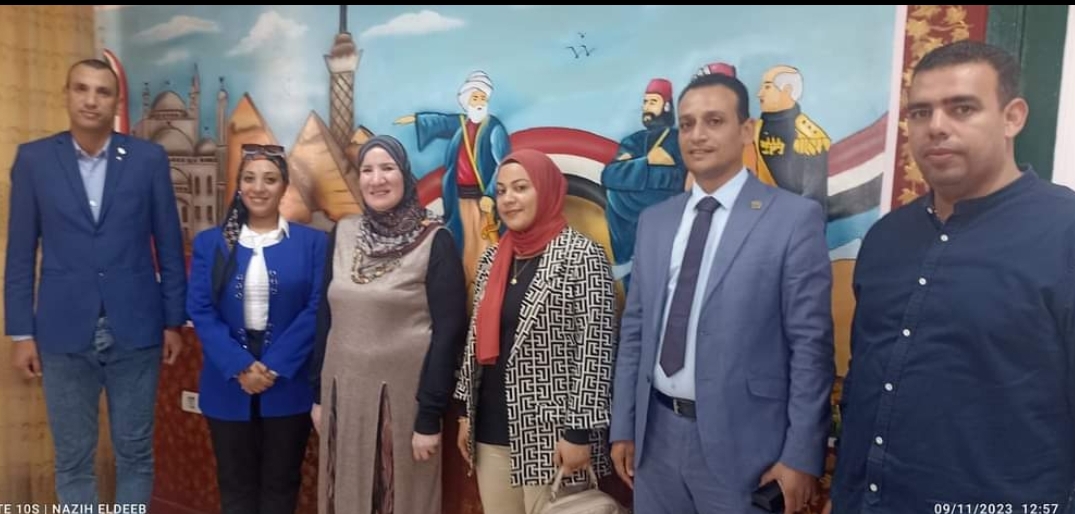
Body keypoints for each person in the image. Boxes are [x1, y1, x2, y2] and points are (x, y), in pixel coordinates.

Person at [829, 40, 1075, 513]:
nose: (936, 127)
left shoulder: (1064, 233)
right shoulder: (886, 238)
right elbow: (864, 383)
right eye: (920, 113)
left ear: (1013, 117)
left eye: (962, 108)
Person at [608, 71, 835, 514]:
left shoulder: (792, 219)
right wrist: (624, 426)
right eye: (687, 124)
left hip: (746, 447)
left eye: (714, 121)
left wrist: (801, 455)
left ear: (746, 130)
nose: (697, 135)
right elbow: (635, 329)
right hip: (655, 439)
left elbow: (811, 346)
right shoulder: (656, 222)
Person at [3, 58, 187, 509]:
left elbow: (169, 244)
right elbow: (20, 253)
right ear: (66, 94)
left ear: (116, 101)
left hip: (137, 329)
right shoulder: (35, 160)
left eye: (102, 91)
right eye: (81, 88)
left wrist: (173, 321)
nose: (91, 100)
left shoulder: (147, 159)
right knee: (73, 460)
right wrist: (21, 333)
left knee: (135, 455)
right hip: (62, 331)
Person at [453, 148, 618, 514]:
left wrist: (578, 432)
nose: (509, 199)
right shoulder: (492, 259)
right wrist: (465, 412)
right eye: (501, 191)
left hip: (553, 437)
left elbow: (595, 350)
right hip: (491, 430)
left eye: (521, 188)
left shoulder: (582, 256)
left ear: (546, 190)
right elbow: (474, 341)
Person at [310, 135, 468, 514]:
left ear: (405, 175)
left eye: (387, 168)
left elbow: (448, 335)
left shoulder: (436, 241)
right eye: (367, 170)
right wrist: (318, 397)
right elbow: (325, 317)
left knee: (395, 498)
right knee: (343, 495)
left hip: (400, 407)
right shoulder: (343, 234)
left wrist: (428, 417)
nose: (376, 179)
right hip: (342, 398)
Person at [186, 143, 326, 514]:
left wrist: (274, 366)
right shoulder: (211, 243)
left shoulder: (313, 243)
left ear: (284, 186)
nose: (258, 188)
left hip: (289, 380)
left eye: (270, 179)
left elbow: (317, 308)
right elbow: (200, 308)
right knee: (236, 487)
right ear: (238, 185)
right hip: (227, 379)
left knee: (281, 485)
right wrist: (240, 367)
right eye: (249, 178)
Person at [394, 70, 511, 289]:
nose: (479, 102)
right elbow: (443, 123)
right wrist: (418, 120)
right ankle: (468, 292)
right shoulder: (462, 125)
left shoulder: (494, 128)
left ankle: (488, 291)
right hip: (460, 200)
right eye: (475, 98)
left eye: (482, 98)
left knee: (486, 247)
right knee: (464, 247)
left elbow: (502, 165)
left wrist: (490, 194)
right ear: (467, 101)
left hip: (483, 203)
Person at [601, 78, 688, 285]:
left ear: (666, 106)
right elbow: (609, 175)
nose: (647, 107)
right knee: (614, 193)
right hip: (628, 227)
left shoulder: (679, 140)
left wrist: (631, 171)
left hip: (665, 219)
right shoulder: (633, 141)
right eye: (645, 102)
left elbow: (677, 180)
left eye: (653, 102)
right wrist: (647, 162)